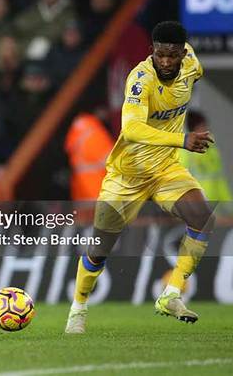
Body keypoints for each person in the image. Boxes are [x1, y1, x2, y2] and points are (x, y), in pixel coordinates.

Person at [65, 21, 216, 334]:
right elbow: (131, 130)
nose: (165, 61)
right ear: (153, 51)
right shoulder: (140, 79)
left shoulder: (192, 67)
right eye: (160, 54)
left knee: (203, 218)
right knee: (101, 247)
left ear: (183, 53)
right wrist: (183, 139)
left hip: (165, 170)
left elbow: (195, 73)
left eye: (172, 55)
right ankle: (78, 307)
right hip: (127, 175)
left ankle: (171, 293)